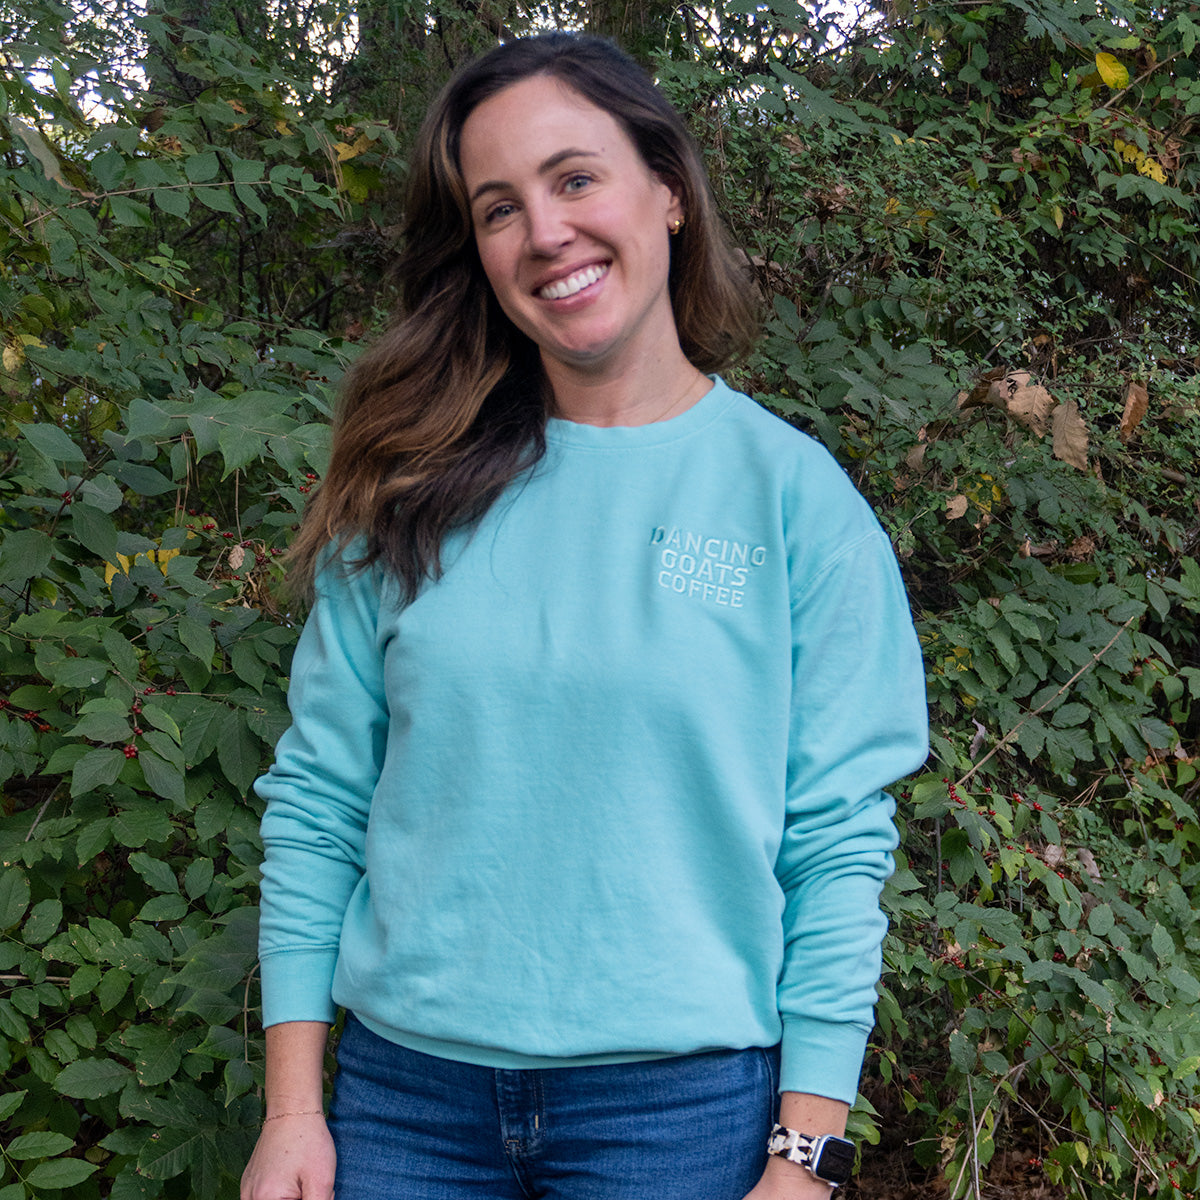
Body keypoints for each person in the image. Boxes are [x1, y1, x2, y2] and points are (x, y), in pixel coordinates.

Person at [240, 31, 928, 1200]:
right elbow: (318, 806)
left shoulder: (794, 501)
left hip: (681, 1121)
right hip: (406, 1110)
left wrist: (804, 1159)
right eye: (498, 208)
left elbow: (836, 846)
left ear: (667, 190)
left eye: (574, 178)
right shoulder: (409, 487)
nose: (544, 232)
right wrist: (293, 1111)